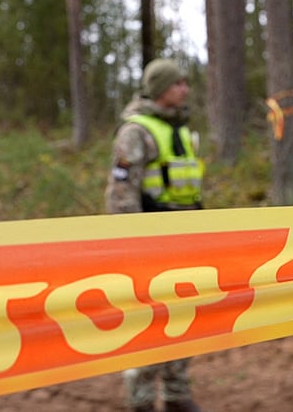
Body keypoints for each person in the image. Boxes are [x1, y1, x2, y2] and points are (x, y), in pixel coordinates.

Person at [105, 58, 204, 412]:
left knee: (183, 319)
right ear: (161, 88)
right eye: (178, 84)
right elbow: (120, 196)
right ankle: (142, 402)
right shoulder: (136, 132)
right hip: (148, 248)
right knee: (146, 324)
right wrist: (133, 249)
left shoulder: (180, 130)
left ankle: (178, 395)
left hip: (183, 244)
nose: (185, 89)